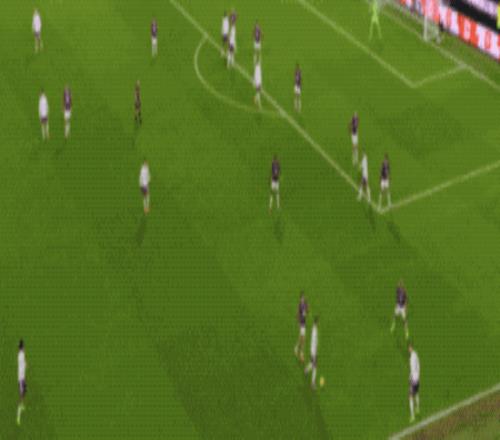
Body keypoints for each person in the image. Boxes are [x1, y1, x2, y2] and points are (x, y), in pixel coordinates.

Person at [304, 316, 319, 389]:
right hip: (313, 351)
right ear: (317, 322)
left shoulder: (314, 328)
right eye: (318, 322)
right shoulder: (315, 331)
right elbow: (314, 342)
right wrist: (315, 354)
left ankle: (306, 370)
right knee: (315, 366)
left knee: (312, 362)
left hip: (312, 350)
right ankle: (312, 384)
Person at [294, 292, 308, 363]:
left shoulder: (305, 304)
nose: (303, 299)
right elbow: (297, 315)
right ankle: (301, 354)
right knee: (303, 339)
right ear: (300, 298)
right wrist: (299, 322)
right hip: (302, 323)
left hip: (304, 323)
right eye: (302, 298)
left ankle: (296, 349)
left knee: (301, 338)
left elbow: (307, 311)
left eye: (303, 297)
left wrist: (307, 307)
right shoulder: (299, 305)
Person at [408, 345, 420, 423]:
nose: (408, 349)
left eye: (409, 348)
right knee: (416, 393)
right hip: (417, 378)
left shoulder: (412, 359)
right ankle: (417, 409)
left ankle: (412, 416)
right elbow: (418, 364)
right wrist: (418, 374)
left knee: (410, 397)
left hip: (413, 379)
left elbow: (412, 370)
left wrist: (410, 378)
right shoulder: (415, 354)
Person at [17, 340, 27, 426]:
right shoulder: (21, 355)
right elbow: (22, 364)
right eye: (23, 346)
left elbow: (23, 364)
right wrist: (25, 364)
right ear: (22, 347)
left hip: (22, 377)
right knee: (21, 392)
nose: (24, 347)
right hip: (21, 377)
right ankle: (18, 413)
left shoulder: (22, 354)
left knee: (24, 391)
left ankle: (22, 404)